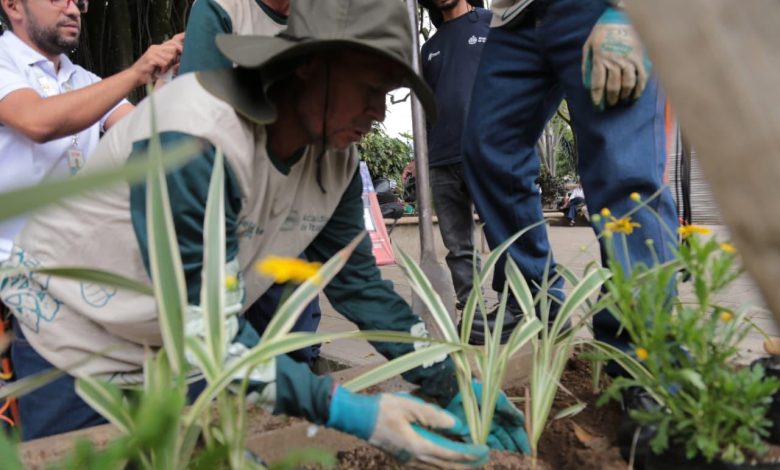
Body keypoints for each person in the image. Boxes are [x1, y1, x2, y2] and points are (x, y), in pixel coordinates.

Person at [0, 0, 528, 463]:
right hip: (76, 340)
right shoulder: (195, 136)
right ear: (309, 67)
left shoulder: (337, 162)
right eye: (369, 88)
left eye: (385, 96)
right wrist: (357, 413)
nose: (375, 113)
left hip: (174, 348)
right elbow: (209, 331)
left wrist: (457, 384)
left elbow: (360, 287)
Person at [462, 0, 679, 449]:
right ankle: (535, 300)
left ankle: (643, 361)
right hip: (516, 15)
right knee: (490, 146)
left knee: (623, 172)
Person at [179, 0, 322, 366]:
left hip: (288, 209)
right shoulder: (220, 10)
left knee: (296, 341)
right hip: (230, 209)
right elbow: (194, 123)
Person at [0, 0, 184, 263]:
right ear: (13, 6)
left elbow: (142, 134)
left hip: (71, 264)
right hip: (8, 265)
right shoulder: (4, 60)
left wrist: (167, 75)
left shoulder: (83, 79)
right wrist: (136, 73)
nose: (74, 10)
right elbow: (36, 121)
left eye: (80, 3)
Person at [402, 0, 490, 322]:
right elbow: (425, 109)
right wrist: (419, 157)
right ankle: (474, 314)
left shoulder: (491, 25)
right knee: (458, 247)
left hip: (485, 154)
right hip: (441, 160)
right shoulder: (428, 49)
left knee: (503, 236)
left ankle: (517, 308)